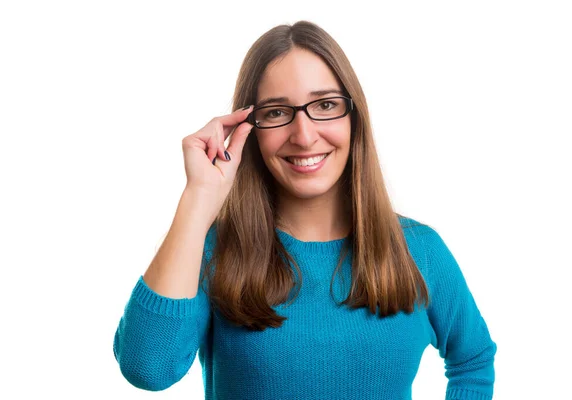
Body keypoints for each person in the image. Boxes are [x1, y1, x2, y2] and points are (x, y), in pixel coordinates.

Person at [113, 20, 497, 400]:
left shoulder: (420, 251)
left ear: (354, 118)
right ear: (250, 129)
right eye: (277, 112)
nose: (304, 135)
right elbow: (148, 368)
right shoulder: (213, 253)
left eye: (326, 105)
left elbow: (473, 361)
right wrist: (199, 199)